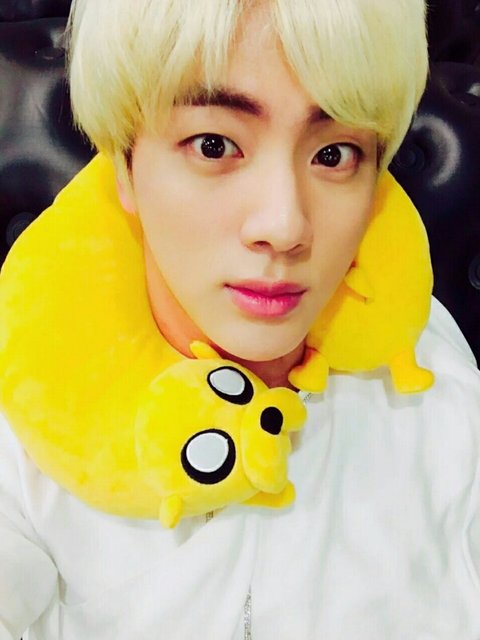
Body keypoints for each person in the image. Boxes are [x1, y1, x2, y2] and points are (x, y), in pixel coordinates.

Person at [1, 0, 479, 638]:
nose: (284, 225)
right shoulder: (24, 411)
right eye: (214, 145)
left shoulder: (432, 374)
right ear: (125, 168)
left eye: (335, 154)